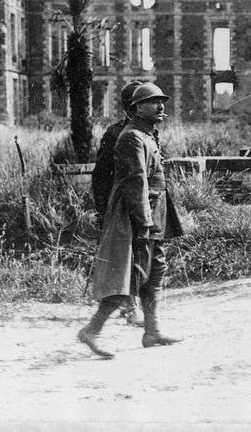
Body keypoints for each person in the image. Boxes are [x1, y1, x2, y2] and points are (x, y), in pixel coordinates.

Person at [78, 82, 184, 358]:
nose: (160, 106)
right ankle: (92, 330)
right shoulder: (132, 137)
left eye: (162, 101)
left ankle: (152, 331)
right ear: (137, 107)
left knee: (156, 271)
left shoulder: (147, 134)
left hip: (154, 212)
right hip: (136, 216)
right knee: (132, 275)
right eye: (153, 102)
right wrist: (144, 222)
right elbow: (135, 183)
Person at [91, 79, 144, 327]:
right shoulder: (115, 134)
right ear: (130, 106)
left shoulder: (148, 131)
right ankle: (130, 306)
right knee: (125, 256)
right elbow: (101, 175)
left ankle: (135, 306)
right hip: (121, 205)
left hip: (142, 203)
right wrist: (104, 209)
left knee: (142, 255)